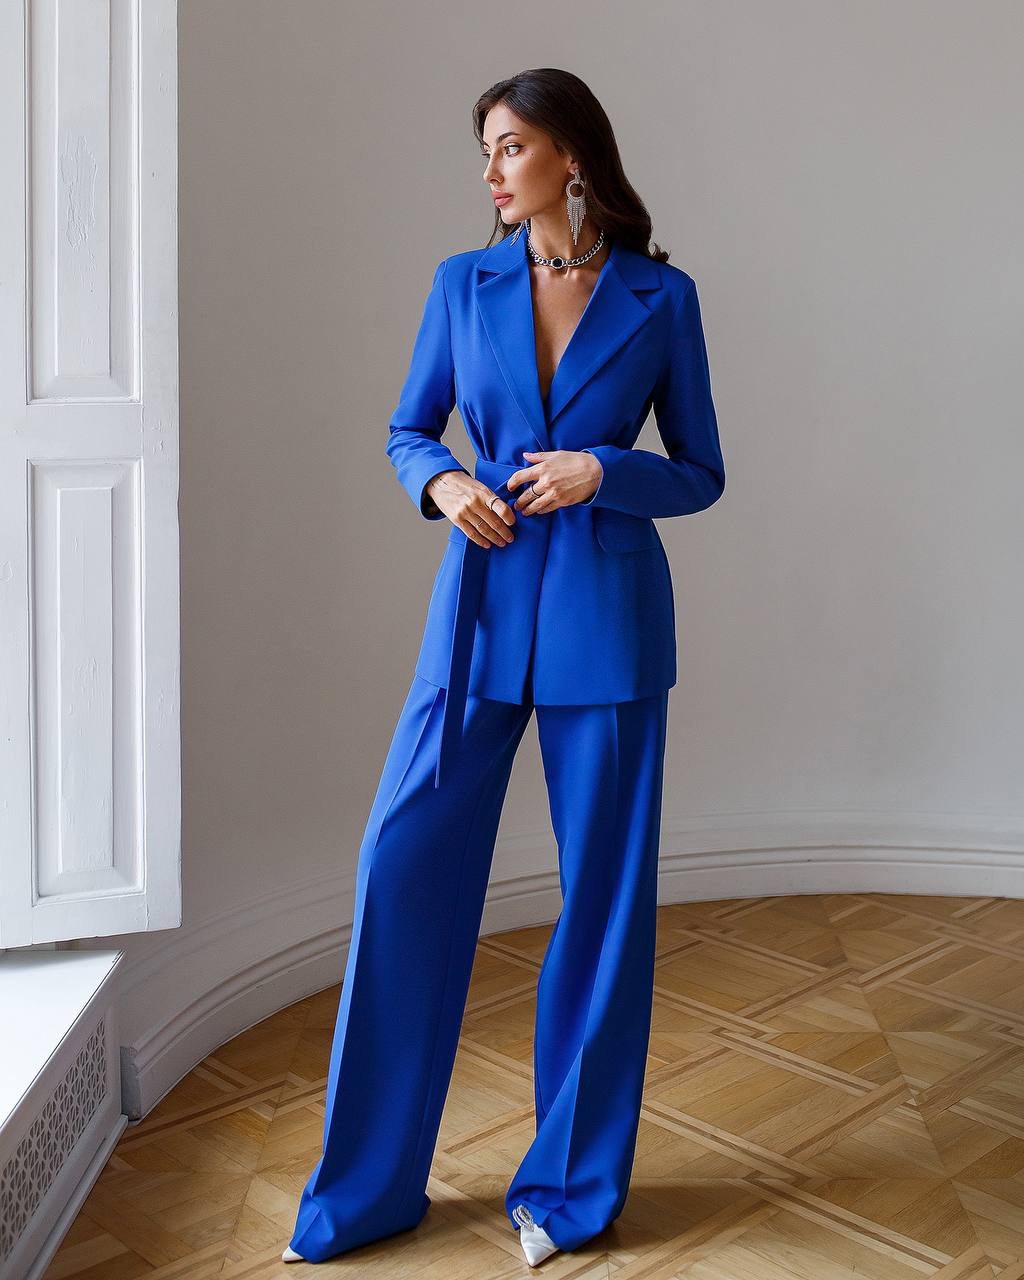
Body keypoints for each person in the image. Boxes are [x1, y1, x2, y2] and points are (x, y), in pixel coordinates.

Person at [284, 66, 725, 1267]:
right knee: (401, 865)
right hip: (474, 614)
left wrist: (604, 472)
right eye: (483, 149)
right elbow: (407, 427)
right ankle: (364, 1190)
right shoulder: (458, 284)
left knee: (603, 904)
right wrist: (444, 481)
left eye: (509, 145)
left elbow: (699, 468)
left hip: (609, 625)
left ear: (570, 157)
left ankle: (569, 1193)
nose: (488, 170)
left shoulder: (660, 297)